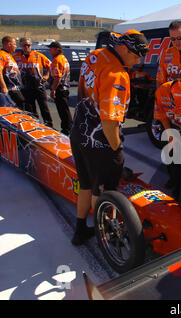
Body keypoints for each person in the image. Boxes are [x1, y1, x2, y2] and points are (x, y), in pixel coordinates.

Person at [69, 29, 148, 245]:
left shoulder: (95, 55)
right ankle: (107, 237)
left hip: (79, 134)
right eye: (137, 54)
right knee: (102, 191)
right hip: (100, 141)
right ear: (123, 48)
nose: (139, 60)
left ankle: (79, 230)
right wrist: (116, 149)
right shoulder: (118, 76)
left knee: (85, 184)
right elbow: (110, 122)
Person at [13, 37, 53, 127]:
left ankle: (49, 125)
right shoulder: (16, 57)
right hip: (25, 87)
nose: (26, 47)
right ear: (21, 46)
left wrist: (46, 75)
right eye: (24, 45)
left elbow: (51, 66)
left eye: (28, 45)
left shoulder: (38, 55)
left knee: (44, 107)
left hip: (39, 86)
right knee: (30, 108)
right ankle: (35, 125)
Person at [48, 41, 72, 135]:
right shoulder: (63, 58)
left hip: (60, 88)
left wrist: (53, 89)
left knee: (63, 110)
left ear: (57, 49)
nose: (50, 50)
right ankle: (69, 127)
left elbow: (57, 77)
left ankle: (67, 129)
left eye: (51, 48)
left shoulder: (56, 60)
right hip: (65, 87)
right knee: (65, 110)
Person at [0, 36, 25, 109]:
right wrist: (3, 87)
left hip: (15, 88)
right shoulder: (2, 54)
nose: (16, 46)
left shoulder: (9, 55)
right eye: (14, 44)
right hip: (9, 88)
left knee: (22, 103)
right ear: (8, 44)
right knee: (20, 103)